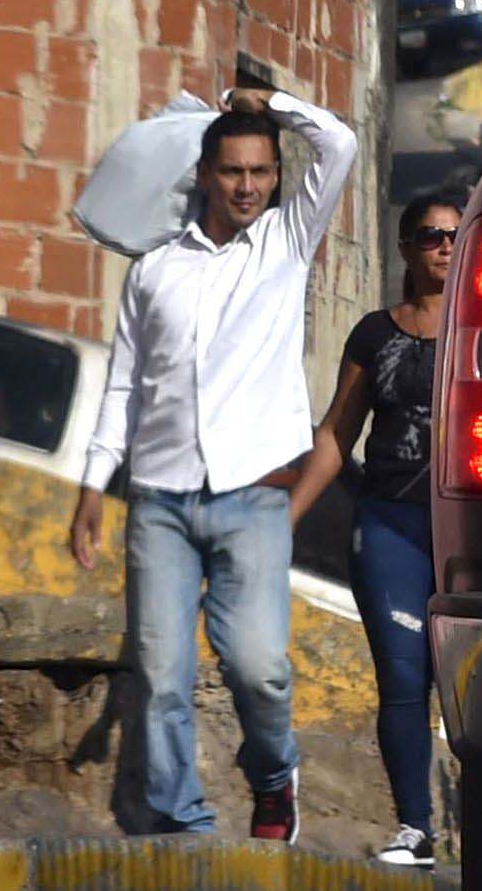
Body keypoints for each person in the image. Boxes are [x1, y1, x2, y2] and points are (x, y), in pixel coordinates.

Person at [66, 89, 360, 840]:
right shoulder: (154, 270)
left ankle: (272, 773)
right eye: (232, 170)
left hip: (253, 496)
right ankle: (182, 823)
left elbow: (341, 144)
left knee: (258, 666)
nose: (248, 186)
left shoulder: (286, 243)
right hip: (160, 498)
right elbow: (124, 383)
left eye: (261, 171)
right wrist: (94, 482)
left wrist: (278, 103)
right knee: (162, 673)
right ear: (203, 173)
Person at [296, 191, 458, 866]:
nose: (445, 248)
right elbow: (338, 432)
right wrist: (286, 515)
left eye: (455, 235)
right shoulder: (375, 332)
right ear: (405, 249)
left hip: (471, 526)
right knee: (402, 674)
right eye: (430, 236)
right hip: (389, 519)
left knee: (472, 681)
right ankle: (414, 826)